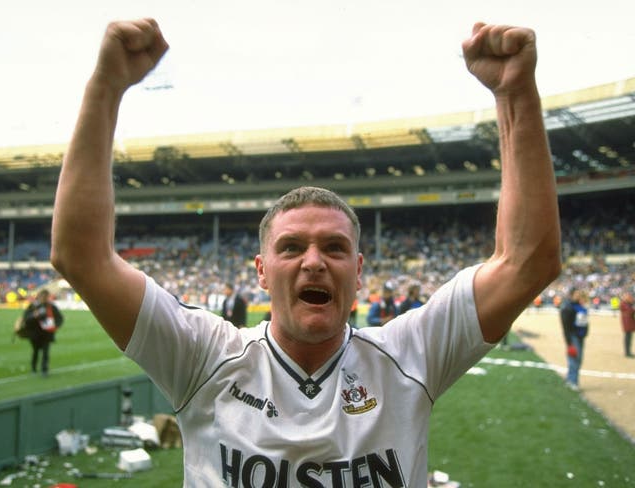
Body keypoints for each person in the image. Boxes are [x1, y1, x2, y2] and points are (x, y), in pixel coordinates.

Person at [50, 19, 561, 487]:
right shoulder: (203, 357)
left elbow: (528, 261)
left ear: (358, 272)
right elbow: (80, 255)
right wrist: (106, 86)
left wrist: (515, 93)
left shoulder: (411, 356)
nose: (313, 261)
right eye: (291, 247)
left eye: (334, 248)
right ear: (262, 272)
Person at [23, 289, 64, 377]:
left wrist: (55, 326)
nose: (44, 298)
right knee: (35, 351)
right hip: (35, 334)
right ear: (39, 296)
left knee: (45, 352)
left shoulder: (51, 306)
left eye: (46, 296)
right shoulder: (33, 306)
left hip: (47, 334)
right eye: (43, 296)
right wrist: (34, 316)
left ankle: (44, 370)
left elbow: (59, 318)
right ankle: (34, 368)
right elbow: (26, 318)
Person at [559, 288, 589, 390]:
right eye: (576, 294)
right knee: (574, 359)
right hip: (573, 336)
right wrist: (569, 342)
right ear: (571, 294)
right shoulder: (567, 307)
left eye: (579, 293)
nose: (578, 295)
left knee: (578, 359)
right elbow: (565, 327)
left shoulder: (580, 306)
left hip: (580, 336)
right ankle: (573, 382)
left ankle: (571, 380)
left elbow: (584, 322)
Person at [619, 291, 635, 357]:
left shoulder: (627, 304)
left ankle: (628, 352)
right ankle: (627, 352)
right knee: (627, 338)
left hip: (629, 323)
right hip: (627, 323)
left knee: (629, 338)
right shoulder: (623, 304)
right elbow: (630, 311)